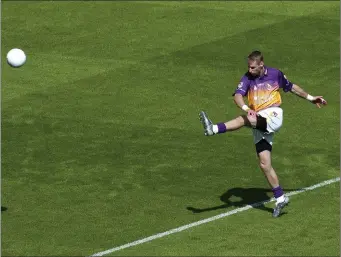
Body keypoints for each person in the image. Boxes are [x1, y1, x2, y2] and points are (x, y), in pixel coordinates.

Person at [199, 50, 327, 218]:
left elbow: (292, 87)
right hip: (258, 120)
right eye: (248, 67)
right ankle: (280, 197)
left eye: (252, 67)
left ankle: (213, 129)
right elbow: (238, 96)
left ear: (261, 64)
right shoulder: (247, 78)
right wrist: (247, 108)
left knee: (244, 120)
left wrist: (311, 98)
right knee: (264, 164)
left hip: (273, 115)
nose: (249, 70)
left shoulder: (275, 74)